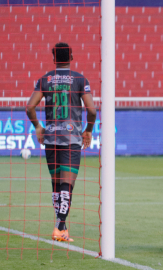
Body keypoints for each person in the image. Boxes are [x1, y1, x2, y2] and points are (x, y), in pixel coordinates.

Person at [26, 42, 97, 242]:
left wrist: (38, 127)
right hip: (71, 139)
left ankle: (62, 228)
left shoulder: (45, 80)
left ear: (53, 57)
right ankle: (59, 228)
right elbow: (92, 110)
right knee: (67, 185)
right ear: (71, 56)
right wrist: (88, 130)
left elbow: (30, 107)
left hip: (51, 139)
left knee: (57, 185)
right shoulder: (80, 80)